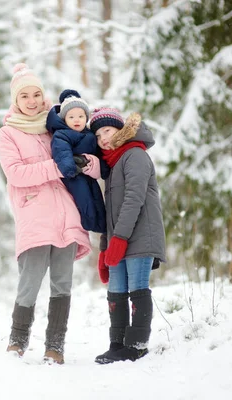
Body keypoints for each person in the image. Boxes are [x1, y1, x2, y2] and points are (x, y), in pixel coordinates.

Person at [0, 63, 96, 364]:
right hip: (35, 216)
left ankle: (55, 346)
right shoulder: (8, 133)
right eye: (24, 95)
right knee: (31, 280)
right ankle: (17, 341)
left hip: (66, 215)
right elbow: (15, 174)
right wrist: (57, 167)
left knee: (62, 283)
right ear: (16, 100)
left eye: (36, 94)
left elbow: (85, 151)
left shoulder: (56, 128)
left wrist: (87, 162)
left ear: (43, 97)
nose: (31, 100)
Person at [89, 107, 166, 364]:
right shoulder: (114, 165)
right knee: (116, 291)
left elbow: (134, 199)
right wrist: (104, 248)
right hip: (119, 239)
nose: (103, 139)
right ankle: (117, 344)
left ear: (121, 130)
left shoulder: (135, 155)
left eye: (107, 131)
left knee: (137, 289)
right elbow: (109, 214)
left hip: (140, 237)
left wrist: (119, 239)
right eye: (98, 135)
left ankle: (137, 345)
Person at [46, 89, 107, 233]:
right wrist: (69, 168)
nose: (77, 120)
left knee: (96, 196)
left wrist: (103, 166)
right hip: (73, 174)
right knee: (83, 197)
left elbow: (99, 153)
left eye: (80, 116)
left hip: (88, 173)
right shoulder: (61, 134)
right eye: (71, 117)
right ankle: (89, 222)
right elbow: (61, 151)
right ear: (64, 119)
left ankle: (101, 224)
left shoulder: (90, 135)